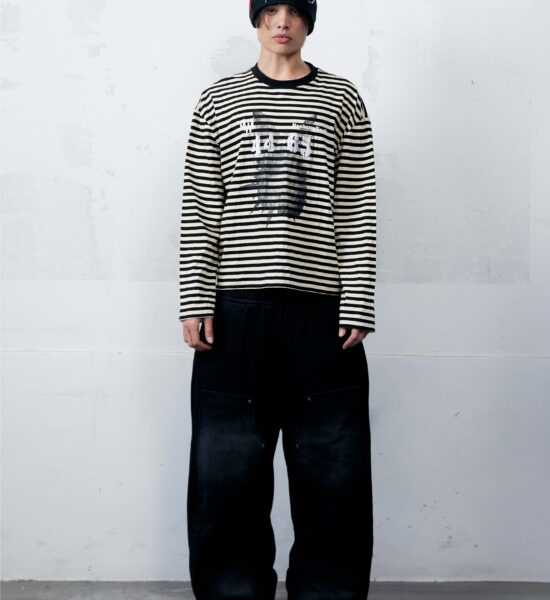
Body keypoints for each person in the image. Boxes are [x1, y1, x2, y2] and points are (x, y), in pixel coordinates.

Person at [179, 1, 377, 598]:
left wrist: (358, 301)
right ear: (256, 19)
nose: (282, 21)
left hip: (321, 317)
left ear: (309, 21)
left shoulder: (342, 100)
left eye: (294, 10)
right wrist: (195, 297)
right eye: (271, 10)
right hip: (235, 315)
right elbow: (201, 205)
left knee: (333, 478)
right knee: (227, 477)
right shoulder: (219, 100)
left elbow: (357, 206)